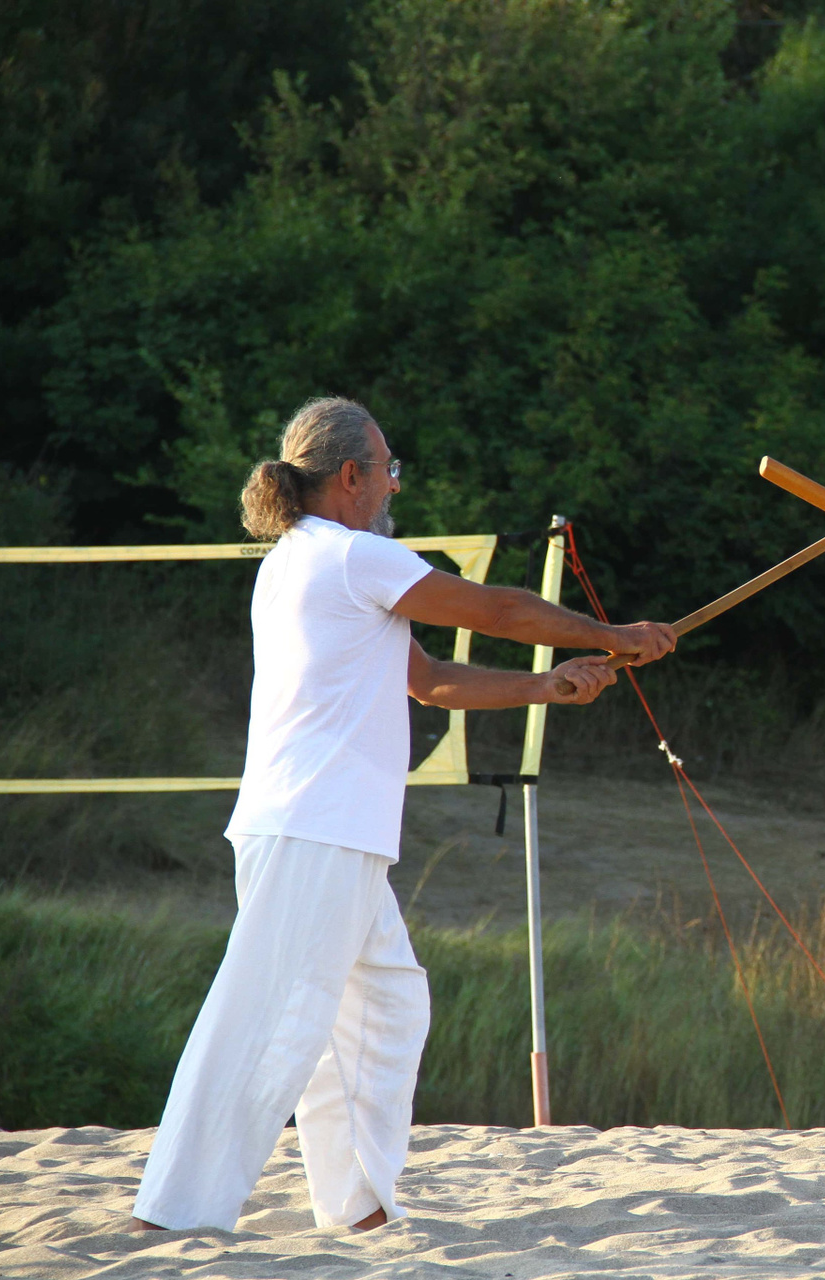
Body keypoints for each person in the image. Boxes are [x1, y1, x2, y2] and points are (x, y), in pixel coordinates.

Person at [132, 397, 676, 1232]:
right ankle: (175, 1212)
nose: (395, 485)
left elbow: (428, 681)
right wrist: (615, 633)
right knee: (268, 1021)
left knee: (383, 1007)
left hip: (326, 829)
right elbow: (497, 610)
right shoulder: (351, 556)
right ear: (351, 476)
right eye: (389, 469)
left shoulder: (305, 561)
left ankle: (356, 1206)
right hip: (315, 826)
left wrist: (548, 683)